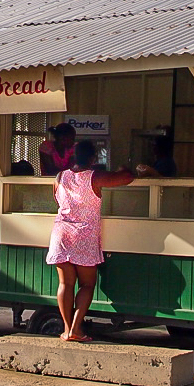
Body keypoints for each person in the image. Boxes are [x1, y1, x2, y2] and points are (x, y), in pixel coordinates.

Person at [45, 140, 135, 342]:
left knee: (65, 284)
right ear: (93, 159)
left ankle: (66, 329)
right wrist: (123, 167)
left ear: (74, 156)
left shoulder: (60, 176)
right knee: (86, 284)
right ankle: (77, 328)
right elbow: (126, 178)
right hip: (84, 235)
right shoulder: (96, 177)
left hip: (61, 233)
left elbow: (57, 199)